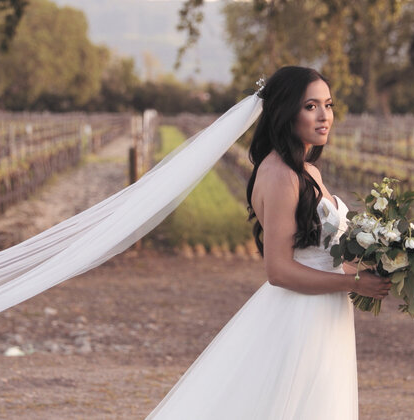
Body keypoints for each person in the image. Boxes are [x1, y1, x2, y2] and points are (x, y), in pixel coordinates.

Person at [146, 66, 392, 419]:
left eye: (328, 104)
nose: (325, 116)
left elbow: (319, 256)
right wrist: (354, 283)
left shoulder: (309, 172)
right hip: (298, 315)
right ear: (285, 111)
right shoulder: (279, 174)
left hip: (327, 312)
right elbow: (278, 270)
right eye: (311, 106)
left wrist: (385, 270)